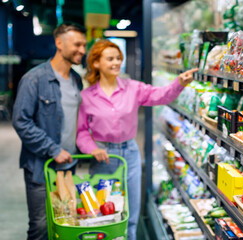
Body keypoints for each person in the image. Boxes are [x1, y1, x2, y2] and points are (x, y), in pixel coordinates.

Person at [76, 40, 197, 240]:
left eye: (118, 58)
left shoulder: (132, 88)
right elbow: (81, 132)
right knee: (103, 215)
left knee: (130, 213)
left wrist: (179, 83)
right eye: (110, 59)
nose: (116, 63)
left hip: (130, 155)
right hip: (103, 157)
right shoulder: (88, 96)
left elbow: (160, 96)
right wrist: (92, 149)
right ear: (96, 63)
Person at [12, 23, 87, 240]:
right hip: (40, 166)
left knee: (65, 223)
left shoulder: (75, 80)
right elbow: (21, 121)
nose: (82, 50)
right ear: (59, 43)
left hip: (69, 165)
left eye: (84, 45)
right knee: (41, 227)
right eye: (77, 44)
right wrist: (53, 149)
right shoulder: (34, 79)